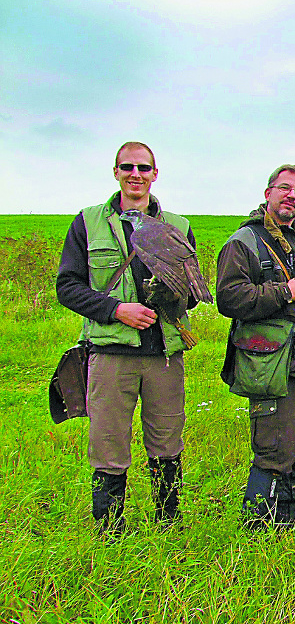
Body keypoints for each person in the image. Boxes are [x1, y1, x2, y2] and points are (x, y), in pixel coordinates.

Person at [56, 142, 197, 535]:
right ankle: (109, 529)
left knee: (168, 440)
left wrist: (174, 294)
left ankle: (169, 522)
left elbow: (192, 293)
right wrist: (117, 310)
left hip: (164, 354)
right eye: (127, 167)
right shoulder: (88, 222)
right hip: (111, 352)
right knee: (108, 442)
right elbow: (67, 287)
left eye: (144, 168)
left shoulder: (179, 225)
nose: (136, 174)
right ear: (115, 171)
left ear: (155, 173)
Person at [216, 164, 295, 528]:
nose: (291, 197)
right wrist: (288, 291)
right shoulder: (245, 242)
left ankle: (287, 520)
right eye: (285, 189)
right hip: (273, 365)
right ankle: (256, 530)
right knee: (273, 451)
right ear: (268, 192)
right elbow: (229, 298)